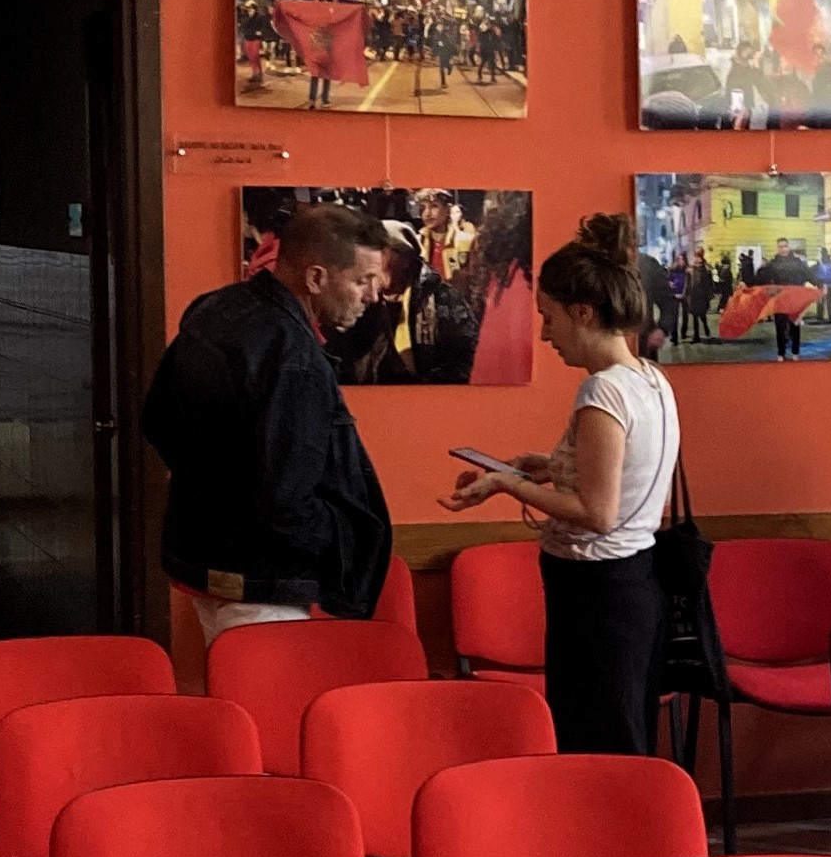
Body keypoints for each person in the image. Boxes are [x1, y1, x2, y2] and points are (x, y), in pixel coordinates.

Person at [442, 213, 681, 755]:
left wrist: (506, 484)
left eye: (548, 318)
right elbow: (624, 471)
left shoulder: (602, 392)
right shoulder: (650, 380)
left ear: (582, 312)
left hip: (597, 593)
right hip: (633, 586)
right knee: (624, 738)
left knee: (595, 746)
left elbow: (596, 513)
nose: (545, 335)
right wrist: (547, 467)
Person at [144, 200, 394, 646]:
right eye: (362, 281)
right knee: (272, 692)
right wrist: (341, 540)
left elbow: (157, 421)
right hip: (263, 579)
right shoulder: (292, 356)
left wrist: (214, 494)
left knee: (235, 682)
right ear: (315, 278)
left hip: (204, 556)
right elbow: (285, 500)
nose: (372, 296)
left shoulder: (216, 308)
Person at [752, 236, 813, 361]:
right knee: (780, 326)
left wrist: (820, 284)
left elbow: (809, 274)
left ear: (788, 247)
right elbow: (761, 278)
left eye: (785, 246)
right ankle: (781, 352)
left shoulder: (797, 262)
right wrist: (748, 284)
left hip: (794, 299)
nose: (783, 249)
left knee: (795, 325)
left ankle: (795, 352)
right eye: (780, 247)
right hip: (779, 299)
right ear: (778, 248)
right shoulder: (773, 264)